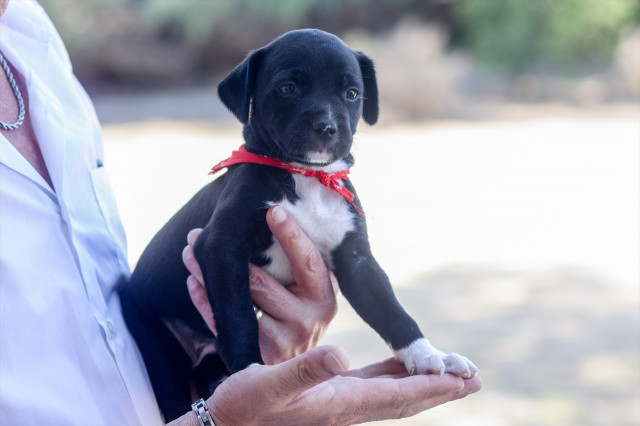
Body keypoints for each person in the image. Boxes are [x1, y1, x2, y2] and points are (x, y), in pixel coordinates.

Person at [0, 1, 481, 425]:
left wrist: (417, 351)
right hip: (157, 322)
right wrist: (247, 371)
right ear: (247, 99)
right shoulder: (251, 185)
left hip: (193, 362)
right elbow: (216, 248)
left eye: (348, 95)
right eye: (291, 90)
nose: (326, 116)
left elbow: (360, 270)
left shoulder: (30, 36)